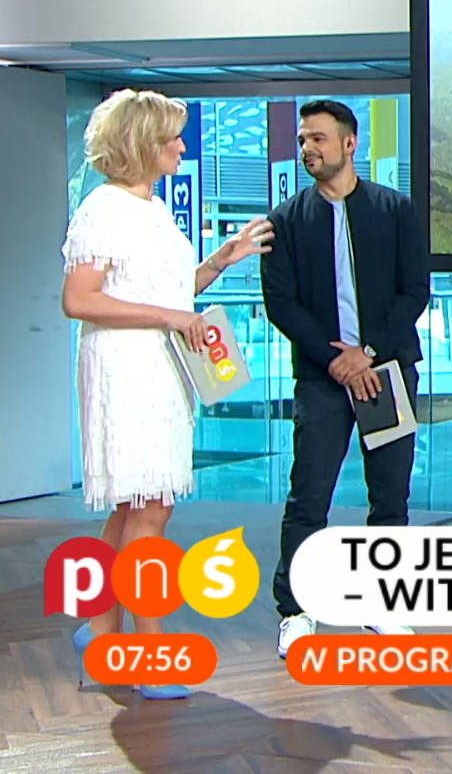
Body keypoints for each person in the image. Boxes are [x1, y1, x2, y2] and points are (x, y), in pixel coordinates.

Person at [61, 89, 274, 698]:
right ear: (142, 143)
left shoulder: (153, 209)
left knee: (139, 505)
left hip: (162, 368)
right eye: (172, 138)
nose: (182, 146)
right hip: (126, 368)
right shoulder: (103, 210)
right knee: (149, 506)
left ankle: (102, 627)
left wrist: (220, 261)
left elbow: (169, 292)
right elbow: (79, 299)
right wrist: (169, 318)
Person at [262, 98, 430, 658]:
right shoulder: (286, 222)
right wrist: (337, 360)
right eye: (302, 140)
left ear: (350, 143)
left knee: (391, 496)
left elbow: (415, 290)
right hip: (322, 379)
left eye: (318, 139)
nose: (307, 149)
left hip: (386, 373)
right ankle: (296, 611)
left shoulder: (395, 210)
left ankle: (383, 606)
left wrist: (369, 353)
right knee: (309, 495)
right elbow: (281, 303)